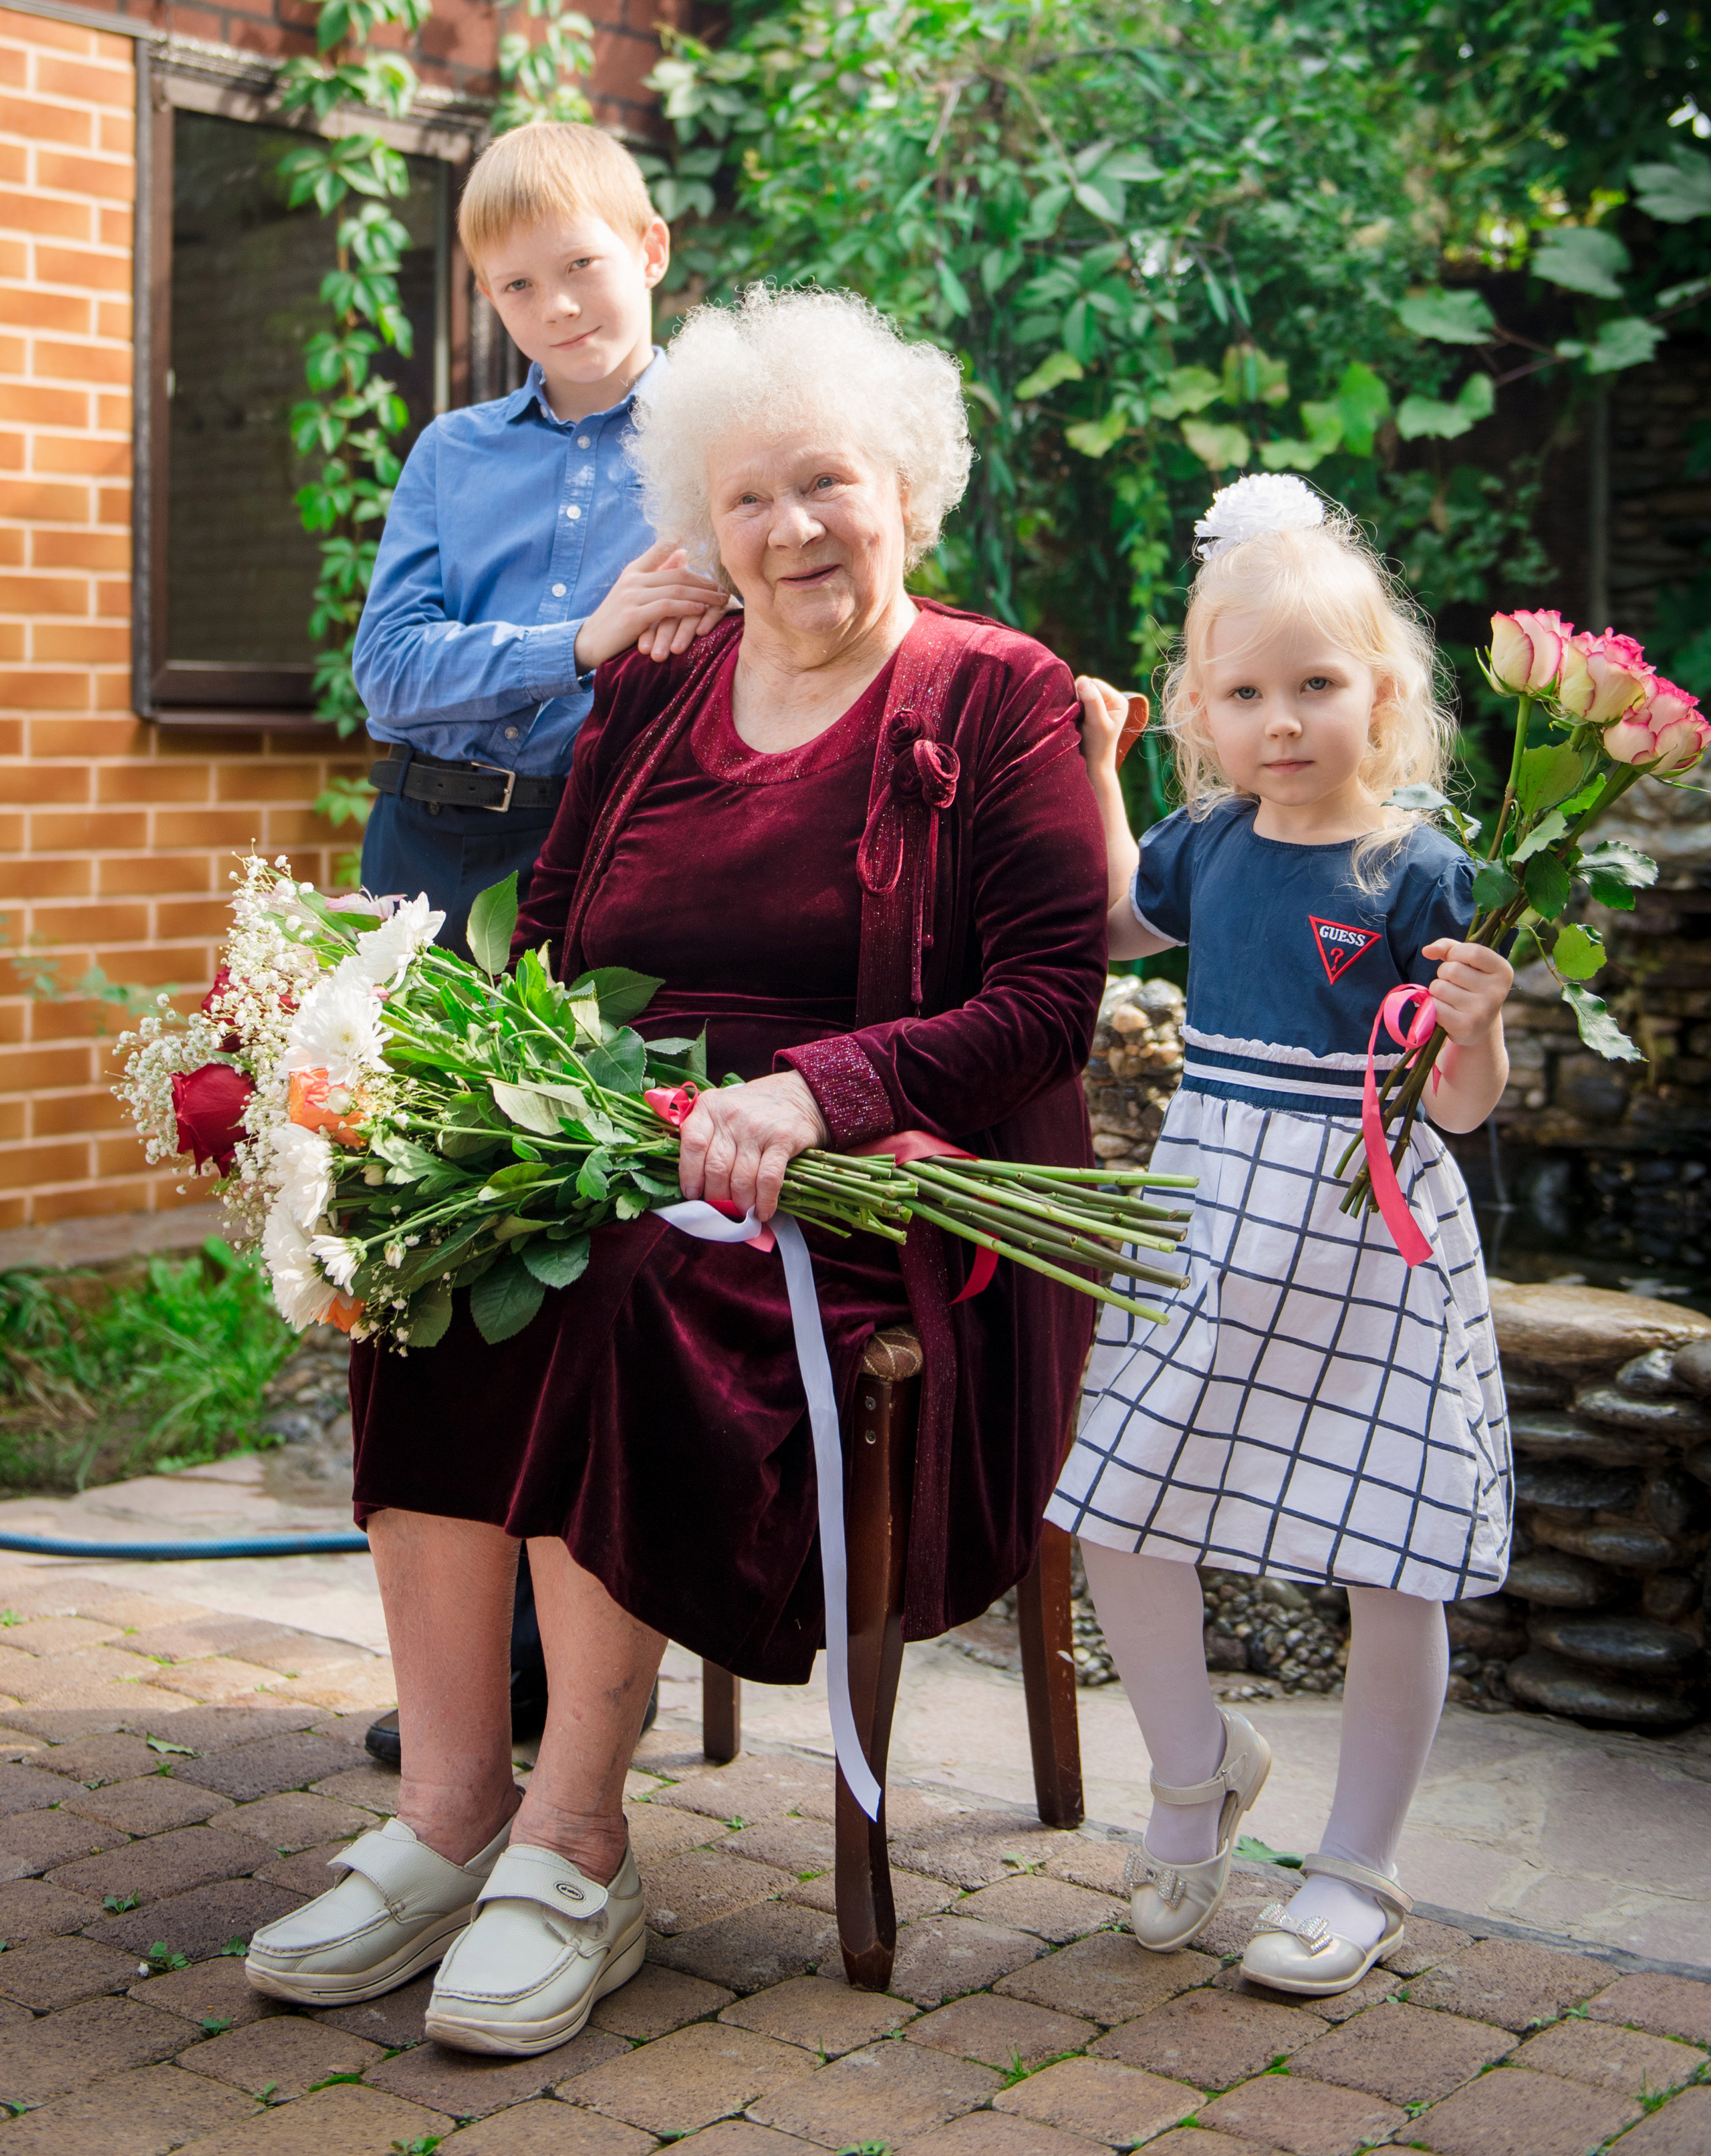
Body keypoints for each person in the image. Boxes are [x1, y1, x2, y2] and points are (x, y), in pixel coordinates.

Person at [245, 285, 1109, 2054]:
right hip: (624, 1128)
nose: (788, 528)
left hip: (867, 1197)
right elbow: (553, 934)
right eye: (745, 497)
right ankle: (453, 1809)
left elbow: (1047, 999)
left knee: (616, 1280)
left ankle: (579, 1843)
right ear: (700, 523)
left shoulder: (992, 691)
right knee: (426, 1245)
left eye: (827, 483)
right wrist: (474, 1095)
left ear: (906, 490)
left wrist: (820, 1090)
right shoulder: (655, 689)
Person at [1050, 473, 1514, 2000]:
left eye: (1315, 686)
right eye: (1243, 694)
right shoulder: (1208, 844)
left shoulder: (1420, 875)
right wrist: (1094, 774)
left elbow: (1454, 1113)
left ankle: (1356, 1866)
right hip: (1206, 1223)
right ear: (1202, 710)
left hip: (1365, 1242)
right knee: (1118, 1508)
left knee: (1392, 1564)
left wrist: (1475, 1032)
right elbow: (1112, 916)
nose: (1282, 722)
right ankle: (1193, 1777)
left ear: (1378, 693)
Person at [350, 120, 723, 1764]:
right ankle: (461, 1671)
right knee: (421, 1231)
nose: (559, 303)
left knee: (563, 1233)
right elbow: (390, 672)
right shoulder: (454, 459)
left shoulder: (716, 443)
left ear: (648, 247)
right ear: (488, 299)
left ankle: (561, 1672)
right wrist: (577, 637)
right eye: (518, 283)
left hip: (606, 862)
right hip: (434, 842)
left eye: (582, 263)